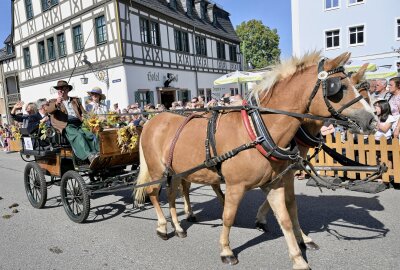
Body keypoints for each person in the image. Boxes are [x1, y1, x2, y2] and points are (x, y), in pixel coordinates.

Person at [47, 80, 100, 167]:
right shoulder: (53, 101)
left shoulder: (75, 100)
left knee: (91, 134)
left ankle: (98, 153)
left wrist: (90, 119)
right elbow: (49, 111)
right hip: (66, 125)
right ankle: (89, 156)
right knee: (78, 136)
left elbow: (84, 113)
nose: (61, 90)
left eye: (63, 88)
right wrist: (57, 103)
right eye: (59, 89)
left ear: (67, 89)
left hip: (79, 123)